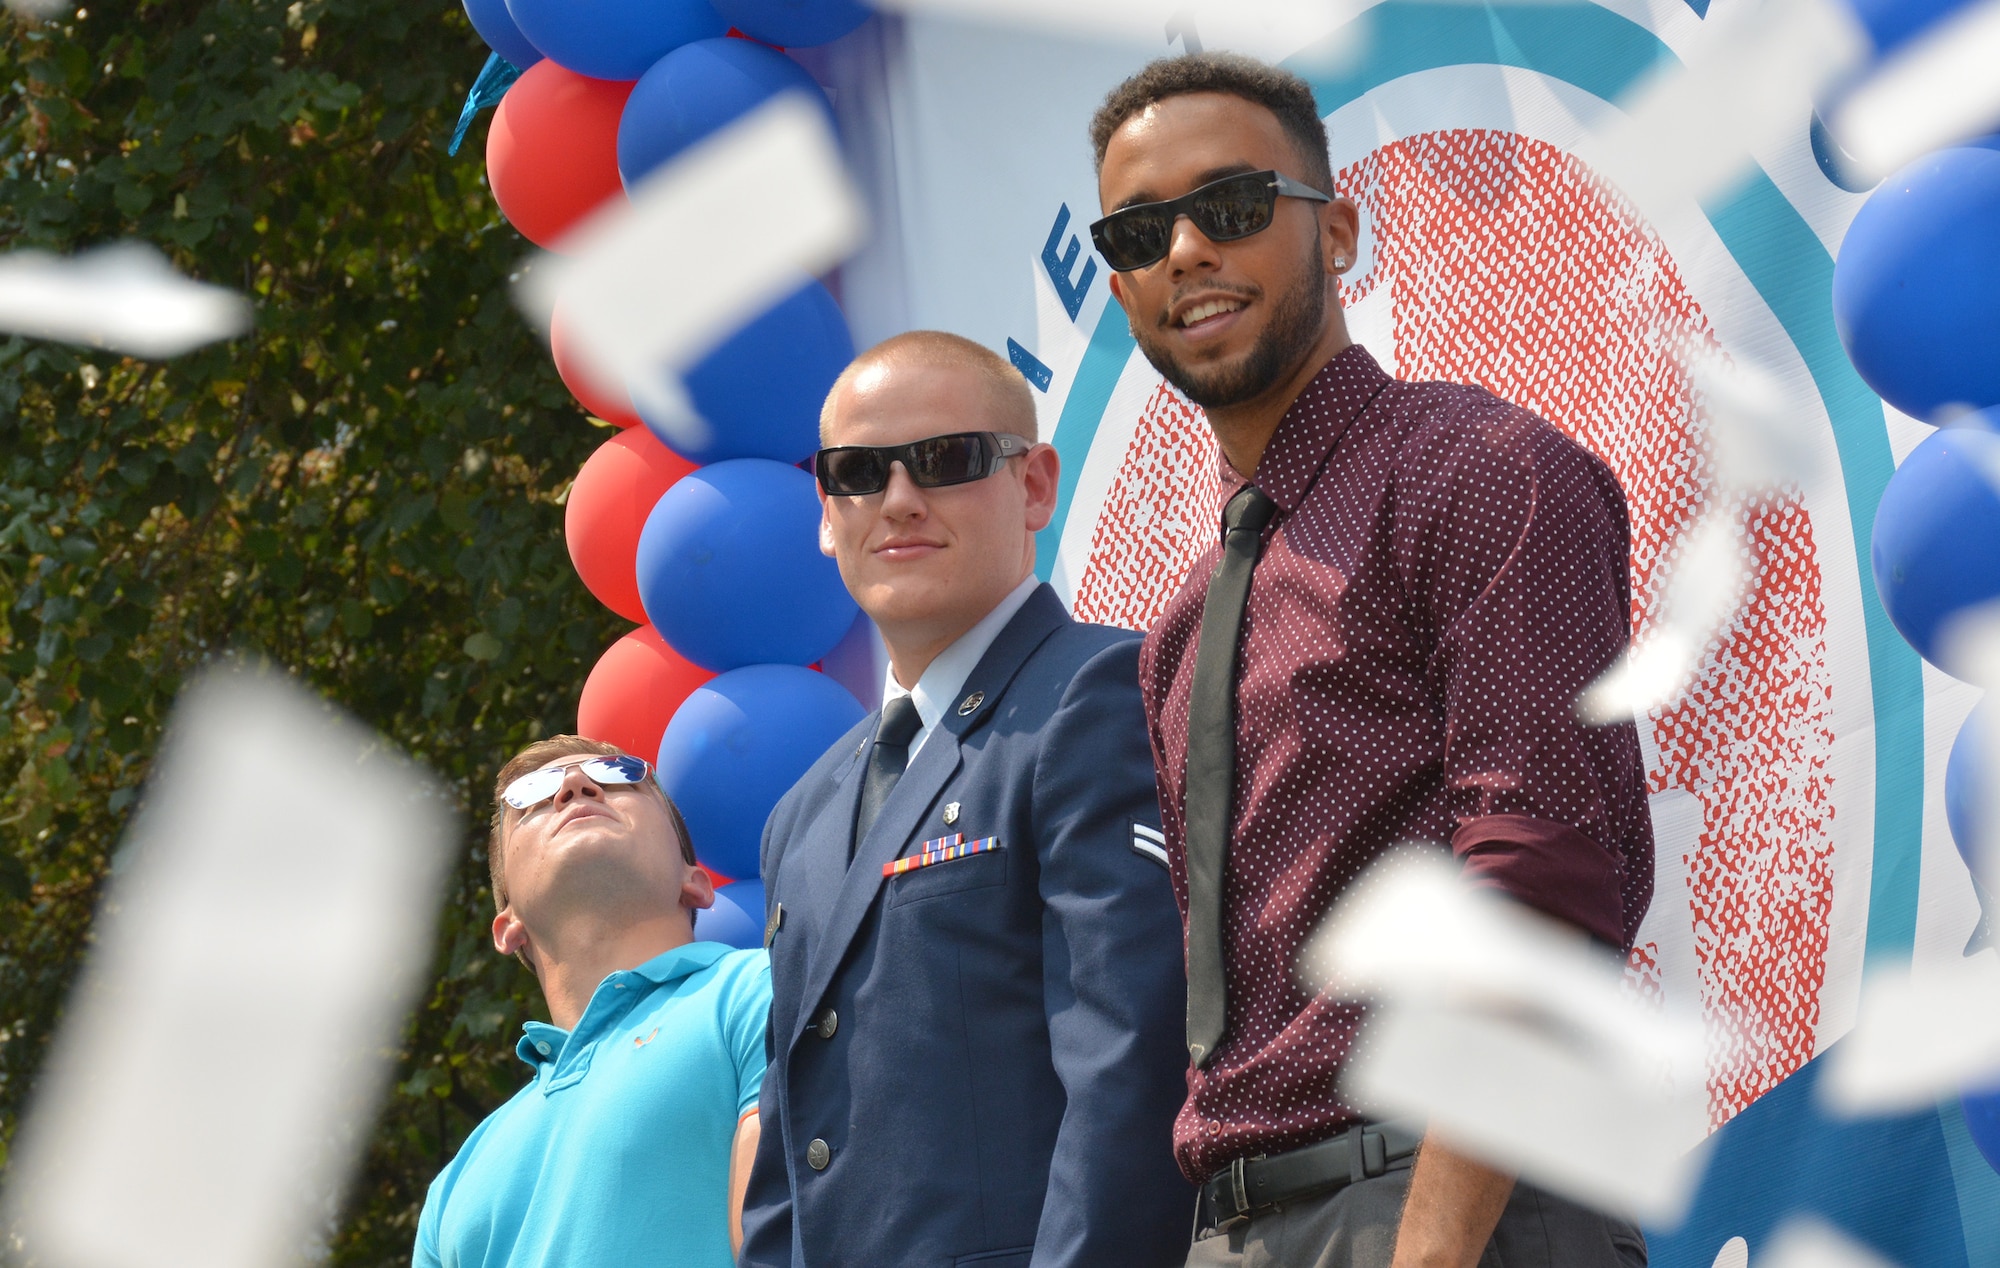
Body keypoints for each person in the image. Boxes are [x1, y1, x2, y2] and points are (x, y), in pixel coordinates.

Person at [1089, 54, 1656, 1268]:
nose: (1185, 247)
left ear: (1335, 231)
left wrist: (1431, 1246)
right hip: (1238, 1224)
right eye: (1140, 229)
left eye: (1231, 205)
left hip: (1446, 1206)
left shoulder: (1479, 475)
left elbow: (1535, 897)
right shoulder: (1181, 629)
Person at [738, 331, 1192, 1268]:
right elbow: (791, 1155)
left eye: (946, 461)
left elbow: (1130, 1069)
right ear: (826, 514)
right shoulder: (804, 811)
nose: (898, 499)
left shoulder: (1099, 693)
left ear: (1034, 485)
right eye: (859, 472)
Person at [413, 736, 770, 1268]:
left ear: (693, 882)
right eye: (532, 795)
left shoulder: (764, 988)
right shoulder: (453, 1188)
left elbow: (789, 1244)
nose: (577, 787)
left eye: (619, 776)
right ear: (507, 925)